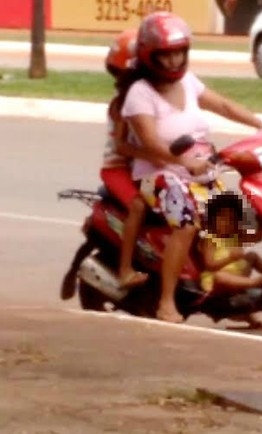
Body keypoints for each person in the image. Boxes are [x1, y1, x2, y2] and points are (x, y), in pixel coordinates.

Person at [121, 11, 262, 323]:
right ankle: (166, 301)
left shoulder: (189, 83)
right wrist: (184, 161)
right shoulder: (140, 94)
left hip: (202, 171)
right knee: (188, 223)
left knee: (241, 227)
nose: (174, 62)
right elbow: (150, 144)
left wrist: (260, 125)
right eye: (166, 56)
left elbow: (223, 105)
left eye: (179, 53)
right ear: (150, 56)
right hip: (157, 176)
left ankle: (231, 298)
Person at [101, 29, 151, 288]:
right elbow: (121, 149)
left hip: (143, 166)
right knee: (138, 206)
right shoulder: (123, 104)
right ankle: (125, 269)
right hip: (118, 168)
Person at [199, 192, 262, 330]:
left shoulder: (236, 236)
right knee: (220, 277)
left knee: (252, 256)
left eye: (231, 219)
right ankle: (258, 282)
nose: (227, 223)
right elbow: (209, 265)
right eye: (222, 218)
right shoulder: (210, 239)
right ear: (212, 219)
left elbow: (256, 237)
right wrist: (229, 259)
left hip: (238, 277)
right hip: (217, 282)